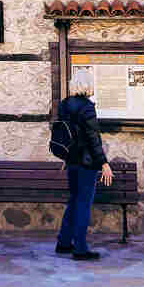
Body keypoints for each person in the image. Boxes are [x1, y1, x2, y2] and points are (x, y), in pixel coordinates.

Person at [54, 72, 114, 261]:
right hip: (86, 163)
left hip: (71, 162)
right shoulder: (87, 108)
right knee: (83, 204)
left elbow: (65, 134)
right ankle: (80, 248)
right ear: (88, 85)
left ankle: (63, 243)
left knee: (73, 201)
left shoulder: (64, 105)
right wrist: (104, 163)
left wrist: (66, 158)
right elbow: (93, 138)